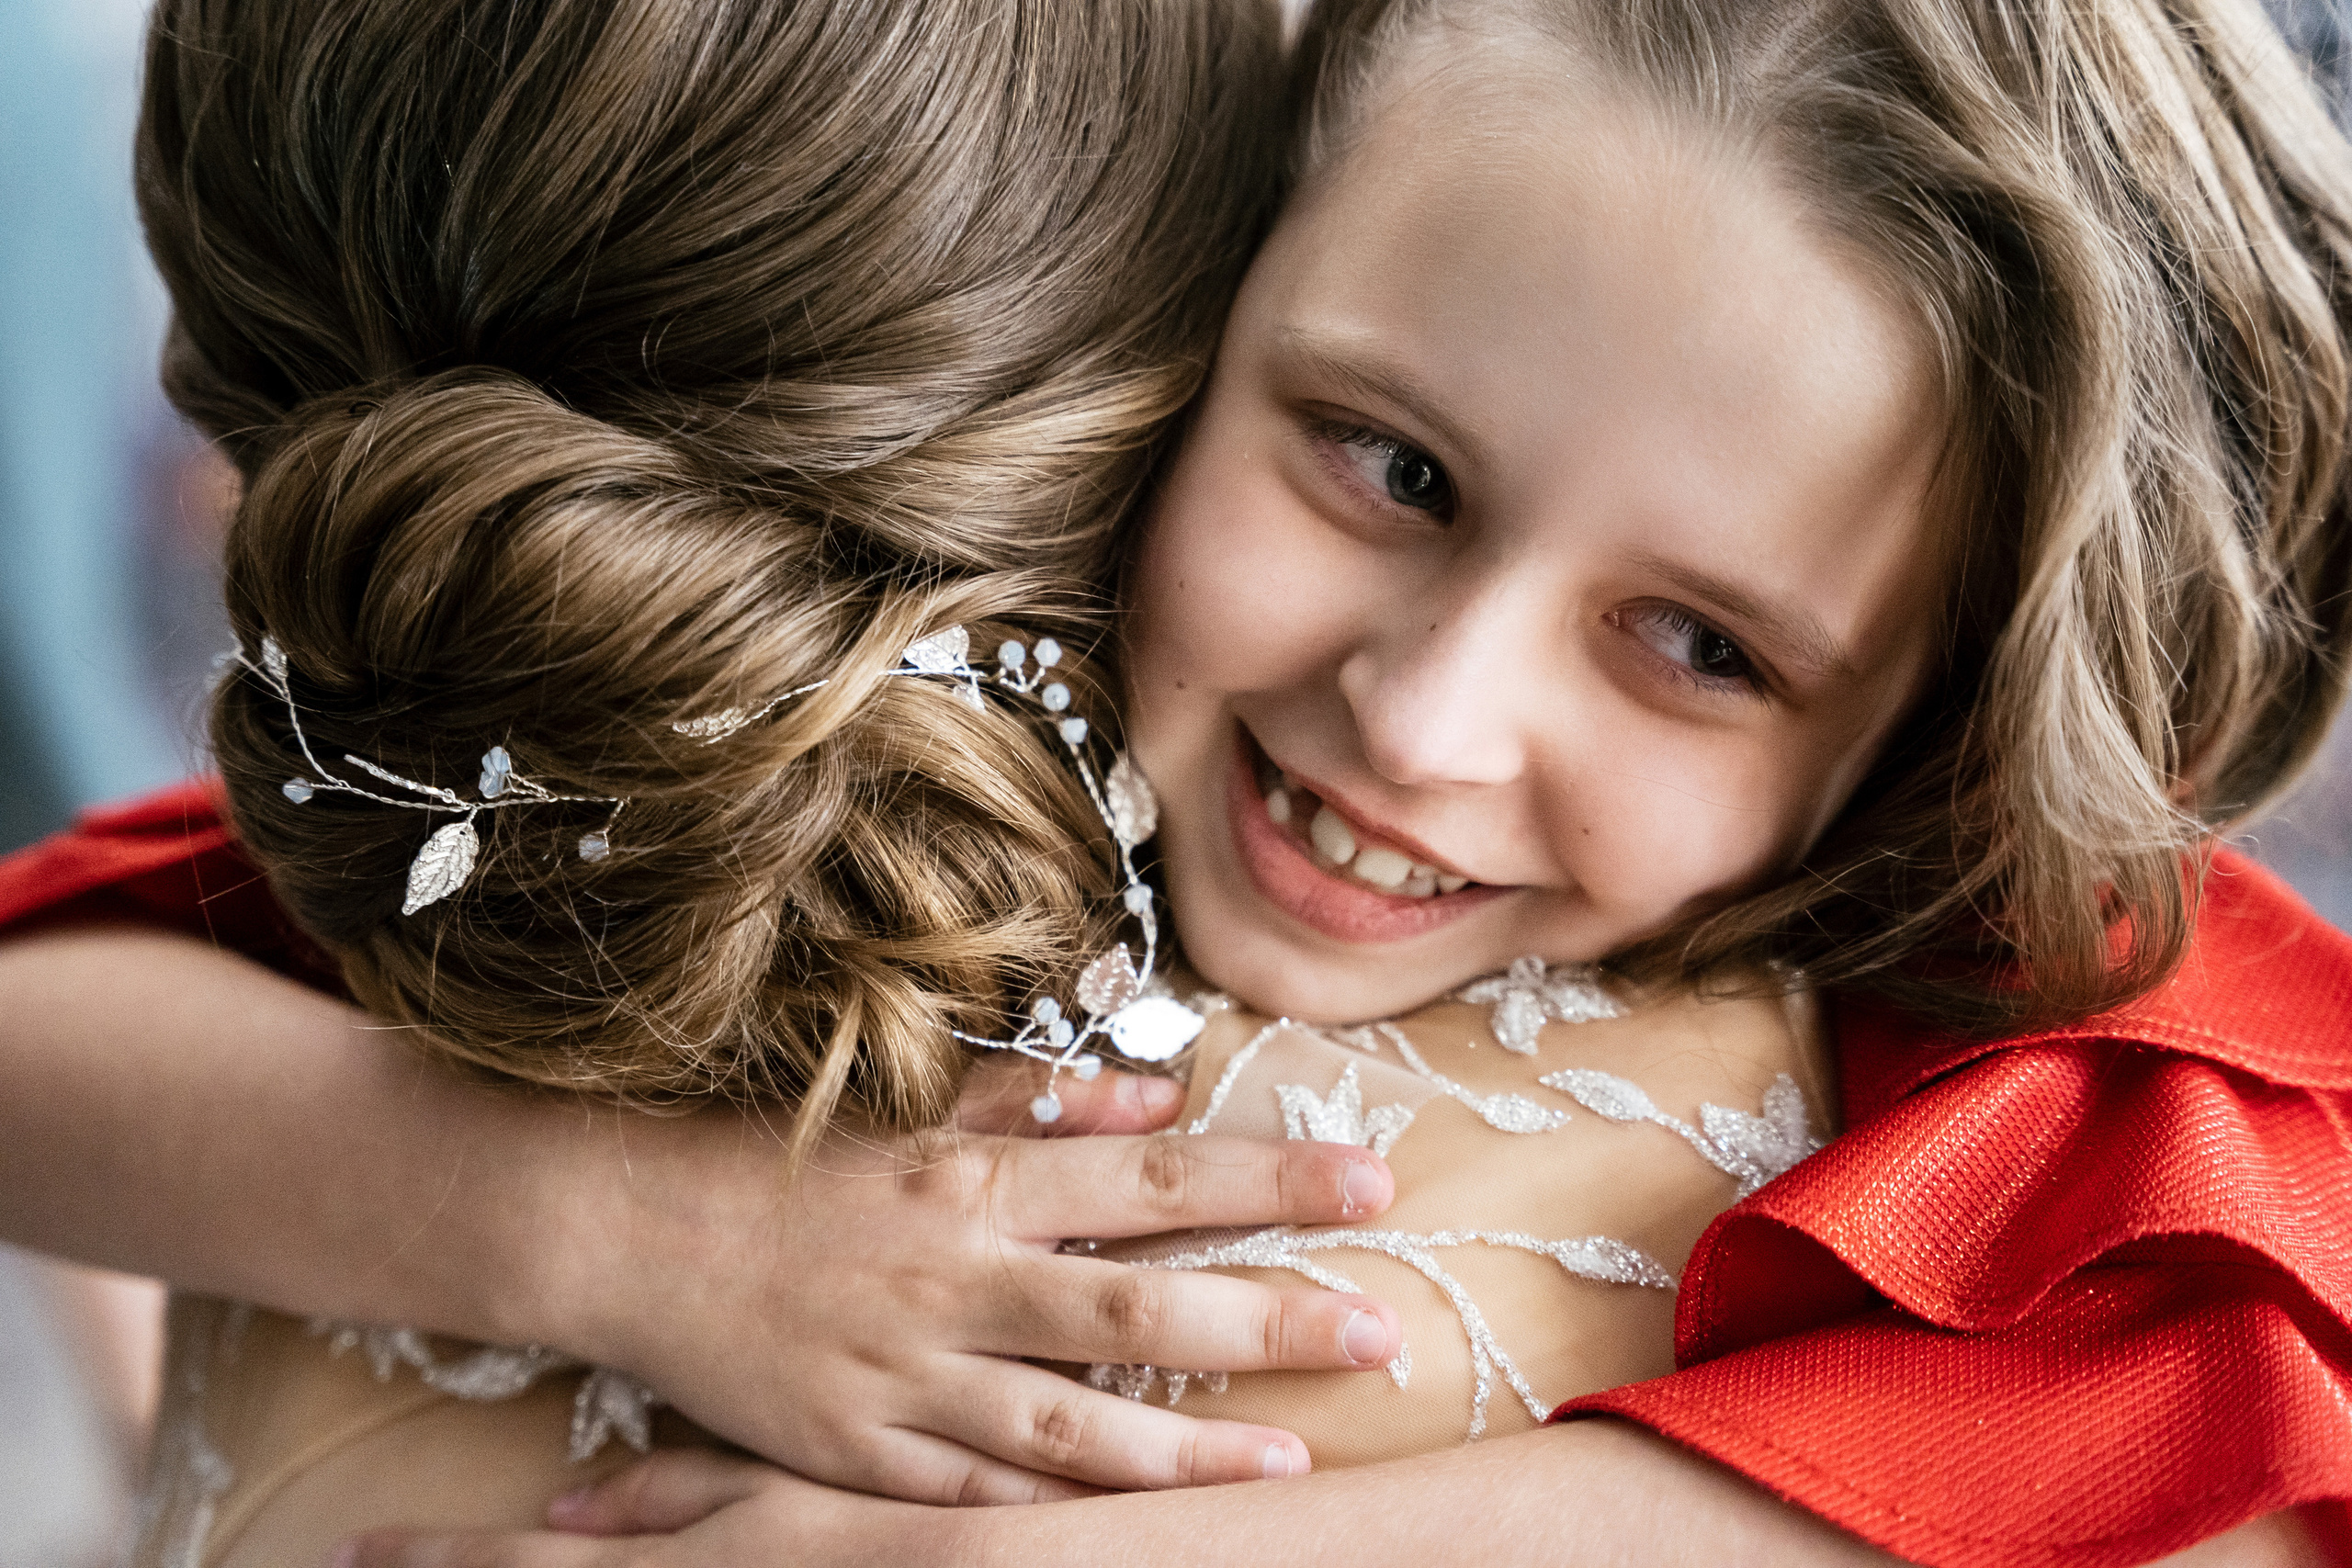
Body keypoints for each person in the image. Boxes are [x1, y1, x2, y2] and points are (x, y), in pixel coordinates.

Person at [3, 0, 2349, 1564]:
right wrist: (637, 1229)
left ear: (1915, 747)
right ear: (1193, 318)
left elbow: (2250, 1428)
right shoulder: (899, 708)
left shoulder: (1975, 1008)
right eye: (1385, 462)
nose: (1424, 717)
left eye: (1699, 646)